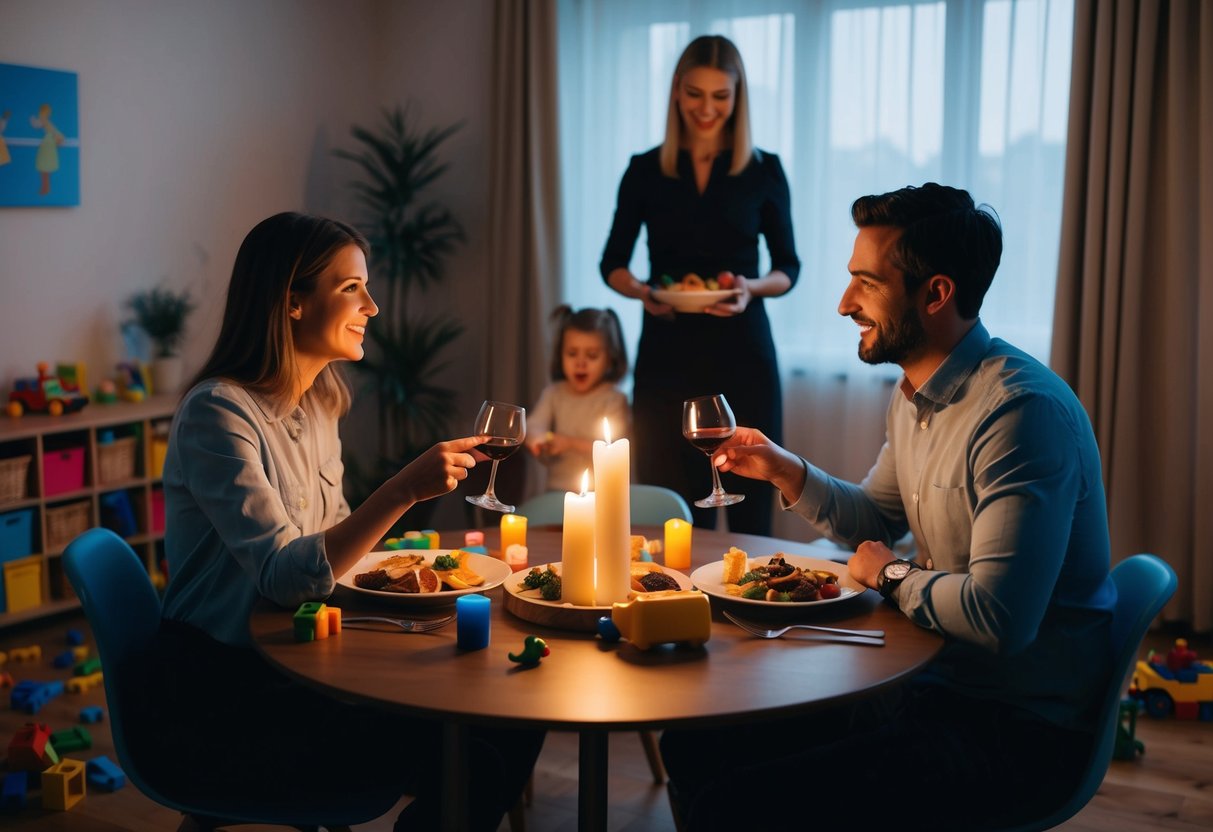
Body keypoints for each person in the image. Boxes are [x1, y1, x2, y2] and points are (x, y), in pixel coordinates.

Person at [659, 184, 1118, 830]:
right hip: (937, 685)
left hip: (1012, 727)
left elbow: (999, 618)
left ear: (935, 294)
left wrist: (890, 575)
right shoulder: (915, 394)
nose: (845, 304)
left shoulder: (1019, 415)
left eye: (865, 284)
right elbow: (875, 521)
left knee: (732, 807)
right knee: (692, 742)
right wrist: (783, 470)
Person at [140, 212, 542, 830]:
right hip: (227, 693)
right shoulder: (217, 414)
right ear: (292, 302)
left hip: (304, 659)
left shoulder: (320, 401)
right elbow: (287, 576)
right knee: (479, 752)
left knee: (514, 722)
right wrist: (404, 489)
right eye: (351, 287)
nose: (372, 306)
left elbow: (334, 550)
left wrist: (416, 570)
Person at [600, 34, 799, 535]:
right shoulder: (645, 170)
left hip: (743, 352)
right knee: (673, 513)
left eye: (720, 96)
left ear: (737, 99)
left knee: (753, 508)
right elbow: (613, 264)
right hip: (667, 356)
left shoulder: (764, 170)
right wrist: (644, 291)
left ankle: (756, 611)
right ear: (675, 92)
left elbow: (788, 268)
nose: (706, 108)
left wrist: (751, 288)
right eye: (695, 94)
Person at [526, 305, 630, 492]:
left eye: (592, 355)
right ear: (560, 354)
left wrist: (569, 443)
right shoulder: (554, 394)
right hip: (557, 493)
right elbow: (533, 427)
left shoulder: (614, 399)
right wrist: (539, 440)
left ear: (610, 358)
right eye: (572, 353)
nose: (580, 363)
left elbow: (615, 450)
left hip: (605, 494)